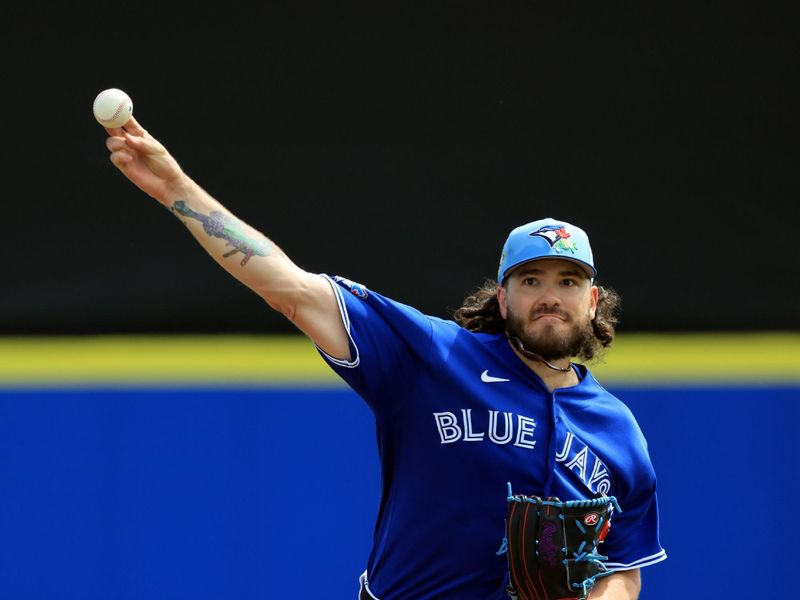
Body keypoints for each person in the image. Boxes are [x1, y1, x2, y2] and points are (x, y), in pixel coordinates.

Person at [101, 116, 666, 599]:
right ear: (502, 296)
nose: (550, 295)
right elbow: (291, 291)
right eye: (531, 279)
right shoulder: (436, 357)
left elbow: (623, 566)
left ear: (592, 301)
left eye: (569, 281)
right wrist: (175, 187)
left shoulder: (618, 433)